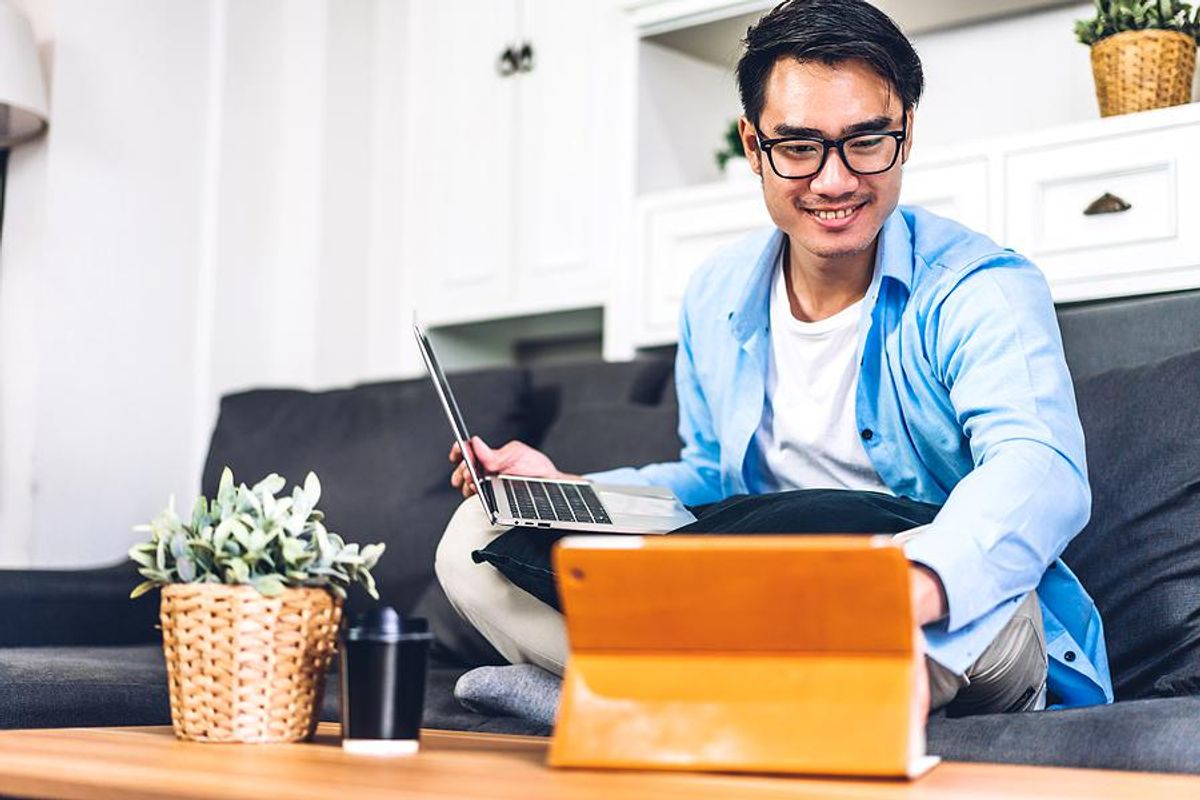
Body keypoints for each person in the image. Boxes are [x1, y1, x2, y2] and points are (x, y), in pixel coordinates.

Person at [435, 0, 1112, 723]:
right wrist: (573, 490)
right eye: (798, 147)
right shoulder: (716, 295)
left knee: (946, 581)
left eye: (866, 141)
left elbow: (1039, 466)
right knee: (475, 537)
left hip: (946, 609)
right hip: (759, 590)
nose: (833, 182)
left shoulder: (982, 288)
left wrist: (910, 583)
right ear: (754, 146)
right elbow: (711, 481)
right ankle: (715, 700)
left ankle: (629, 698)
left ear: (906, 134)